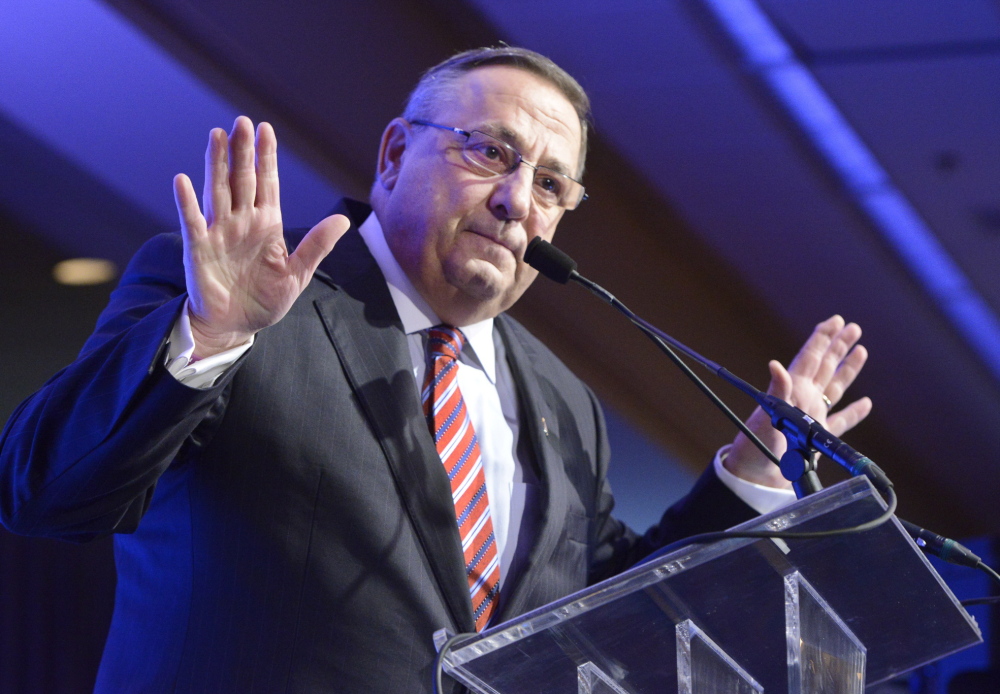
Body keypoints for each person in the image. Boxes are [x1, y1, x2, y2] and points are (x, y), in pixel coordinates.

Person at [0, 47, 870, 693]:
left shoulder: (566, 404)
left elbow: (605, 612)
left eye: (551, 186)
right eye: (491, 152)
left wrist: (751, 473)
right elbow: (44, 493)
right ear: (391, 157)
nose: (515, 200)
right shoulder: (238, 299)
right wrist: (209, 333)